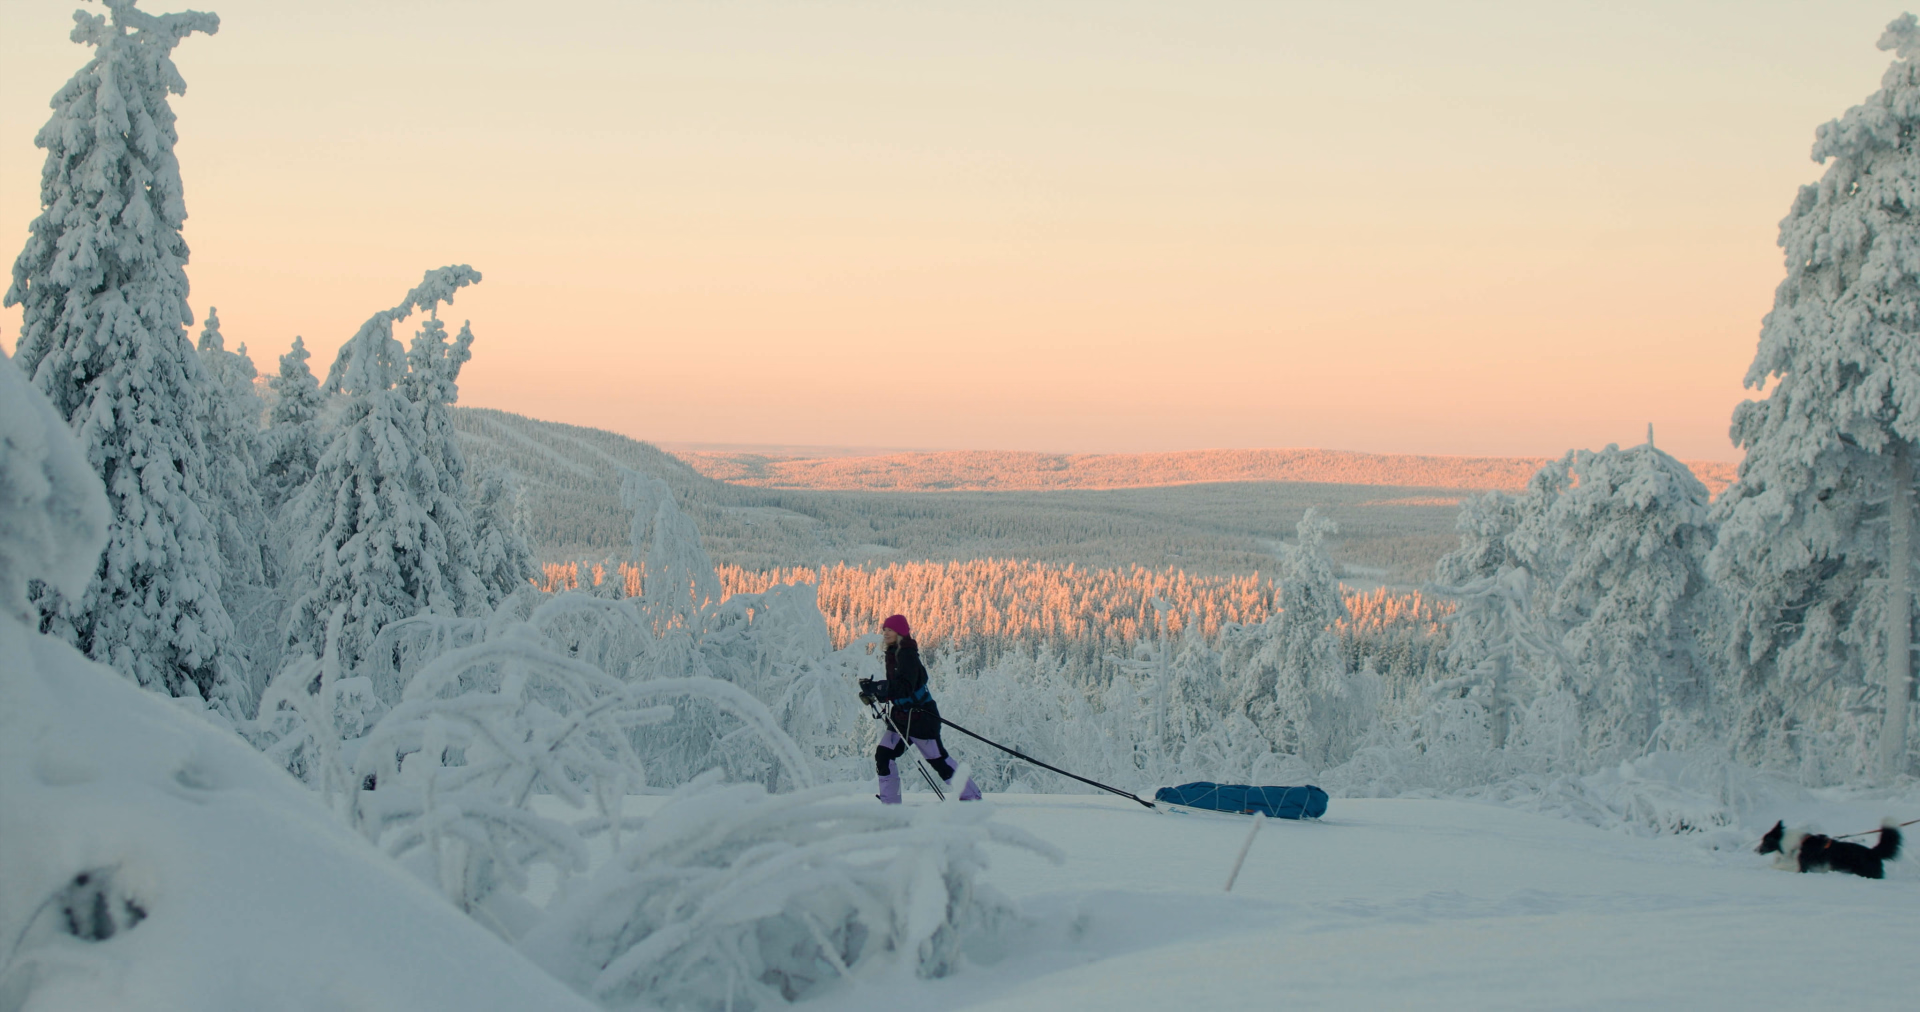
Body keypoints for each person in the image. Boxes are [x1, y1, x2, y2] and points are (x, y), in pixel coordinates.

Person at [859, 614, 982, 803]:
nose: (885, 633)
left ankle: (971, 797)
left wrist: (878, 688)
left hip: (921, 719)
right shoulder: (894, 652)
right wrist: (877, 690)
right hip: (903, 718)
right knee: (883, 755)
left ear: (900, 632)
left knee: (938, 761)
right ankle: (889, 803)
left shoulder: (907, 654)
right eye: (884, 629)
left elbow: (905, 687)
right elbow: (899, 688)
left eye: (889, 629)